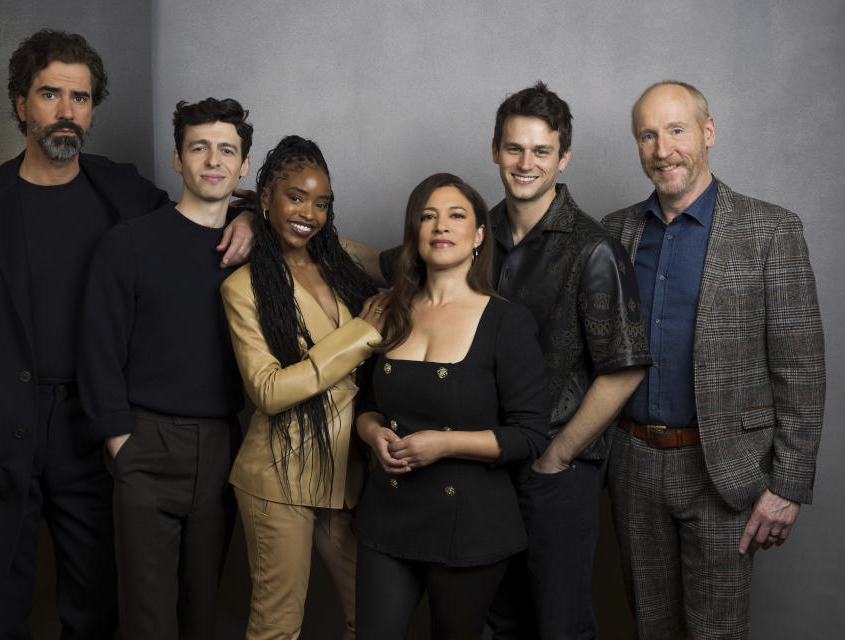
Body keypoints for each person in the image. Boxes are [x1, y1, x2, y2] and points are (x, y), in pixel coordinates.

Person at [0, 30, 251, 639]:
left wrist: (250, 221)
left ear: (92, 109)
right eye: (50, 95)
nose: (66, 112)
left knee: (95, 612)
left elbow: (196, 218)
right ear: (20, 104)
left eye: (80, 98)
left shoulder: (125, 194)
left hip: (94, 430)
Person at [344, 82, 650, 639]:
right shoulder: (469, 230)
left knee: (558, 623)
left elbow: (624, 366)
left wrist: (557, 454)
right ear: (494, 151)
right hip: (484, 474)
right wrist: (272, 228)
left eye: (540, 151)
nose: (525, 163)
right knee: (502, 622)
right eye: (514, 149)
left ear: (564, 157)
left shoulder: (592, 247)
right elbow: (381, 259)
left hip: (557, 466)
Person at [602, 80, 825, 639]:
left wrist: (789, 485)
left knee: (717, 632)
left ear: (707, 133)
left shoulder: (771, 231)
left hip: (725, 469)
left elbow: (801, 368)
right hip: (631, 466)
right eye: (647, 136)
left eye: (676, 130)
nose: (662, 149)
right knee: (648, 626)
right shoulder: (614, 233)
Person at [77, 98, 253, 639]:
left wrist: (257, 219)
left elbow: (314, 230)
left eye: (227, 149)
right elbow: (97, 349)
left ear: (244, 165)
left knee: (201, 616)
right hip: (144, 444)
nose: (213, 160)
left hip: (222, 446)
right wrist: (119, 443)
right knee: (148, 620)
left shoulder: (256, 249)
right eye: (198, 148)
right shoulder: (129, 243)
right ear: (177, 159)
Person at [353, 173, 552, 640]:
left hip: (471, 523)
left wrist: (442, 445)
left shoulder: (506, 321)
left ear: (479, 235)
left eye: (456, 216)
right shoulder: (388, 310)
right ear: (415, 233)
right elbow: (366, 403)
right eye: (428, 216)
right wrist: (370, 432)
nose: (441, 226)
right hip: (389, 513)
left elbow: (530, 435)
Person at [220, 135, 385, 640]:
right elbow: (268, 391)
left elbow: (421, 257)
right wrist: (361, 335)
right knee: (277, 627)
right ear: (266, 194)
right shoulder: (243, 287)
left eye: (322, 203)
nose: (309, 213)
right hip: (278, 477)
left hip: (346, 475)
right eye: (295, 196)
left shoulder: (346, 262)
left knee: (374, 618)